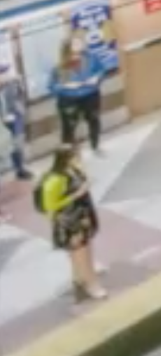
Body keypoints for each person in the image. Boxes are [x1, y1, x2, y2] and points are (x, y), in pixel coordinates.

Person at [37, 145, 107, 301]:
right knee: (79, 252)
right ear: (65, 159)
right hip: (70, 221)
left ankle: (79, 278)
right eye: (75, 157)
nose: (79, 159)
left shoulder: (74, 170)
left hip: (82, 216)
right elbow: (50, 206)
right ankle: (90, 283)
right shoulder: (55, 180)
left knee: (84, 249)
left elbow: (84, 180)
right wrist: (76, 195)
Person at [49, 34, 104, 155]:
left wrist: (96, 78)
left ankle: (95, 146)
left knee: (94, 120)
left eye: (80, 43)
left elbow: (101, 70)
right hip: (69, 99)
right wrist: (65, 86)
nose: (80, 46)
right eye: (75, 44)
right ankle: (68, 153)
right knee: (69, 127)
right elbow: (52, 86)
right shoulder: (61, 66)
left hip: (90, 94)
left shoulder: (90, 58)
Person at [2, 58, 31, 181]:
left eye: (6, 72)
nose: (5, 75)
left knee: (18, 143)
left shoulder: (13, 84)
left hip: (15, 117)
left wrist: (19, 83)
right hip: (2, 122)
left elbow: (20, 96)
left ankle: (20, 169)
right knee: (6, 145)